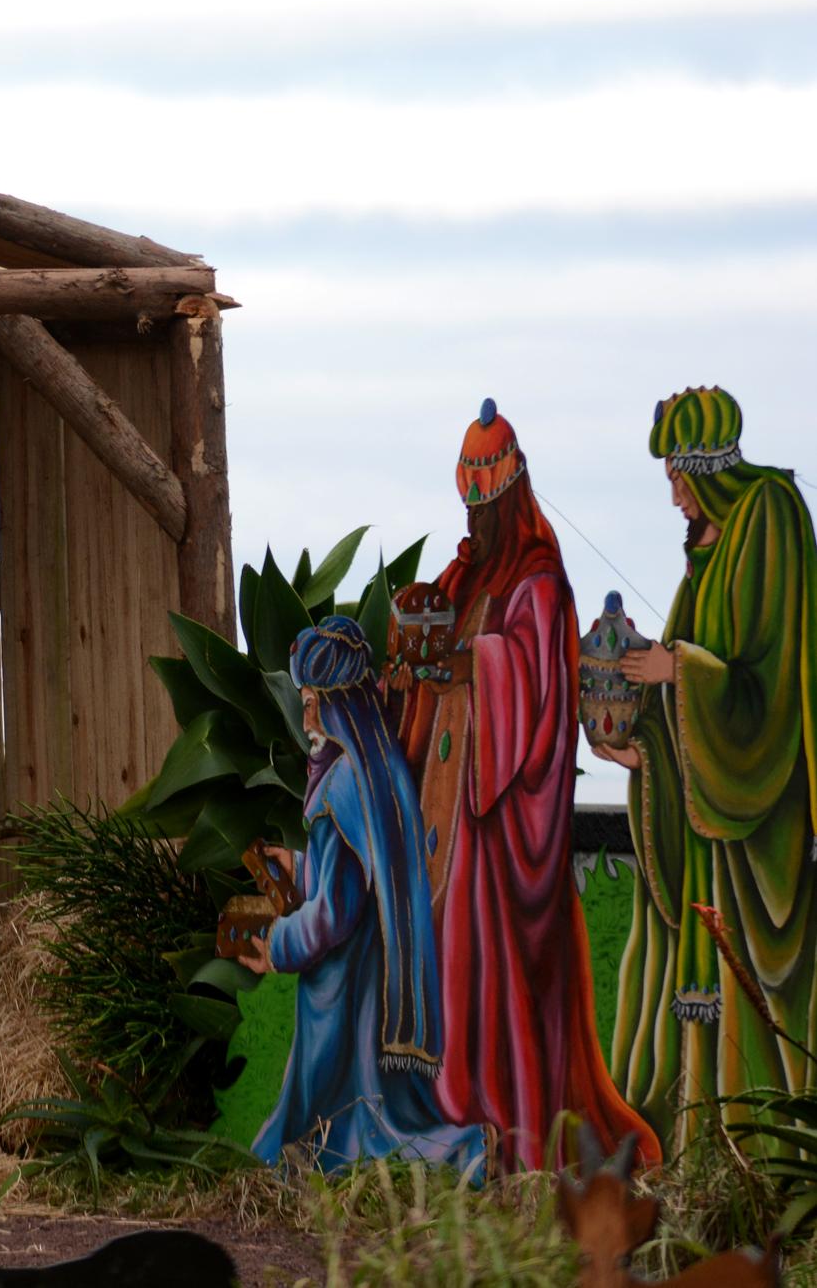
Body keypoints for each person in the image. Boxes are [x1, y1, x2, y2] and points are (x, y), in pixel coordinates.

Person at [389, 400, 658, 1171]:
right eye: (468, 503)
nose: (476, 518)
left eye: (486, 502)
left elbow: (537, 689)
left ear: (510, 495)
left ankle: (505, 1131)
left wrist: (473, 662)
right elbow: (431, 640)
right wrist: (418, 614)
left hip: (496, 830)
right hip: (447, 815)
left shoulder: (538, 582)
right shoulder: (466, 570)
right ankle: (448, 1122)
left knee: (488, 973)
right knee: (447, 969)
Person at [595, 387, 817, 1142]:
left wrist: (677, 669)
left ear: (705, 468)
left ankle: (760, 1157)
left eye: (677, 479)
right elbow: (674, 685)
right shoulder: (710, 546)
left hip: (759, 811)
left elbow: (769, 682)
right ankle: (702, 1155)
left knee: (752, 992)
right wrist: (637, 750)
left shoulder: (772, 517)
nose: (674, 498)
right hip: (707, 824)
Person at [244, 618, 489, 1174]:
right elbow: (355, 871)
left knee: (341, 1116)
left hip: (344, 987)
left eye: (313, 704)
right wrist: (300, 865)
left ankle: (457, 1151)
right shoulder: (377, 771)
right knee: (368, 1110)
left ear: (337, 705)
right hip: (376, 975)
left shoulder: (338, 786)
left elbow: (333, 913)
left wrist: (275, 944)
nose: (306, 720)